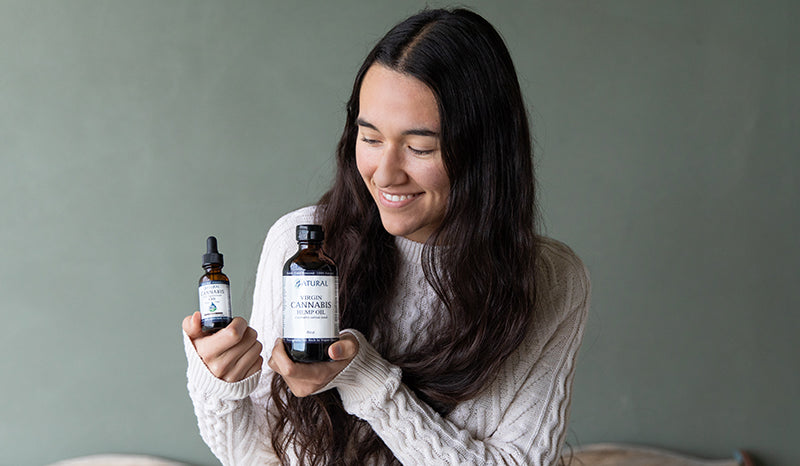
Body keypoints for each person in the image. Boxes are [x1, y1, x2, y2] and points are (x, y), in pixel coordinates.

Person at [182, 7, 590, 466]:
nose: (386, 174)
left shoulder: (550, 279)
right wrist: (217, 383)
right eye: (370, 138)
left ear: (485, 154)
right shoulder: (300, 250)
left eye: (419, 148)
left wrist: (367, 381)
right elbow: (255, 455)